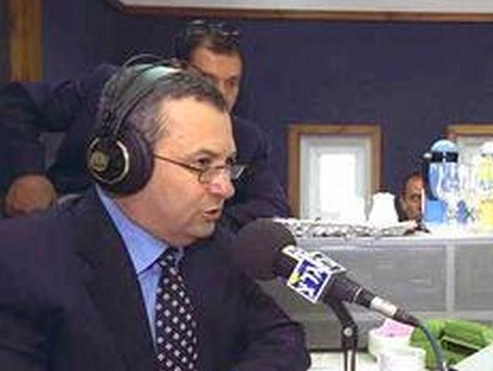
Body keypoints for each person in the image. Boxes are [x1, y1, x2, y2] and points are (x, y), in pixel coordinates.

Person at [0, 62, 310, 371]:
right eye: (202, 165)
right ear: (123, 162)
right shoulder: (20, 262)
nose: (224, 187)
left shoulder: (216, 247)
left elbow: (282, 338)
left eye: (228, 165)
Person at [0, 19, 289, 230]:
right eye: (207, 79)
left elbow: (272, 207)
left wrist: (196, 222)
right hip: (70, 222)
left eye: (232, 83)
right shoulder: (110, 88)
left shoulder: (247, 140)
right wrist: (27, 173)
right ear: (177, 69)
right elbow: (16, 103)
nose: (221, 94)